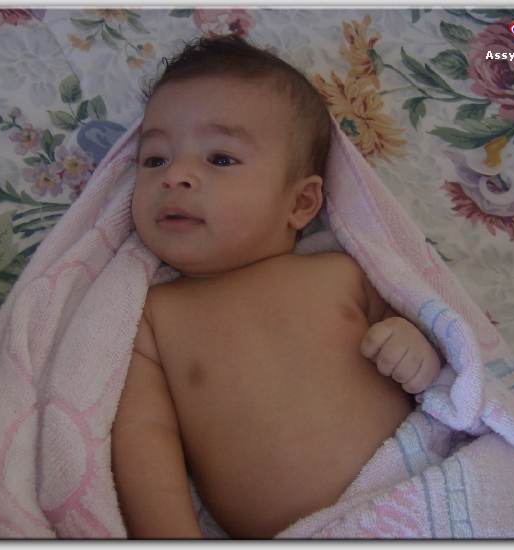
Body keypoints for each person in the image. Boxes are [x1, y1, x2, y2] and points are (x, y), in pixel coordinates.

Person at [111, 35, 441, 539]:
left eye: (220, 158)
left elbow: (437, 350)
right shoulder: (153, 315)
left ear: (301, 203)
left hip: (425, 493)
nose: (175, 176)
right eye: (154, 159)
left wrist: (415, 350)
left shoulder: (341, 274)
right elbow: (143, 438)